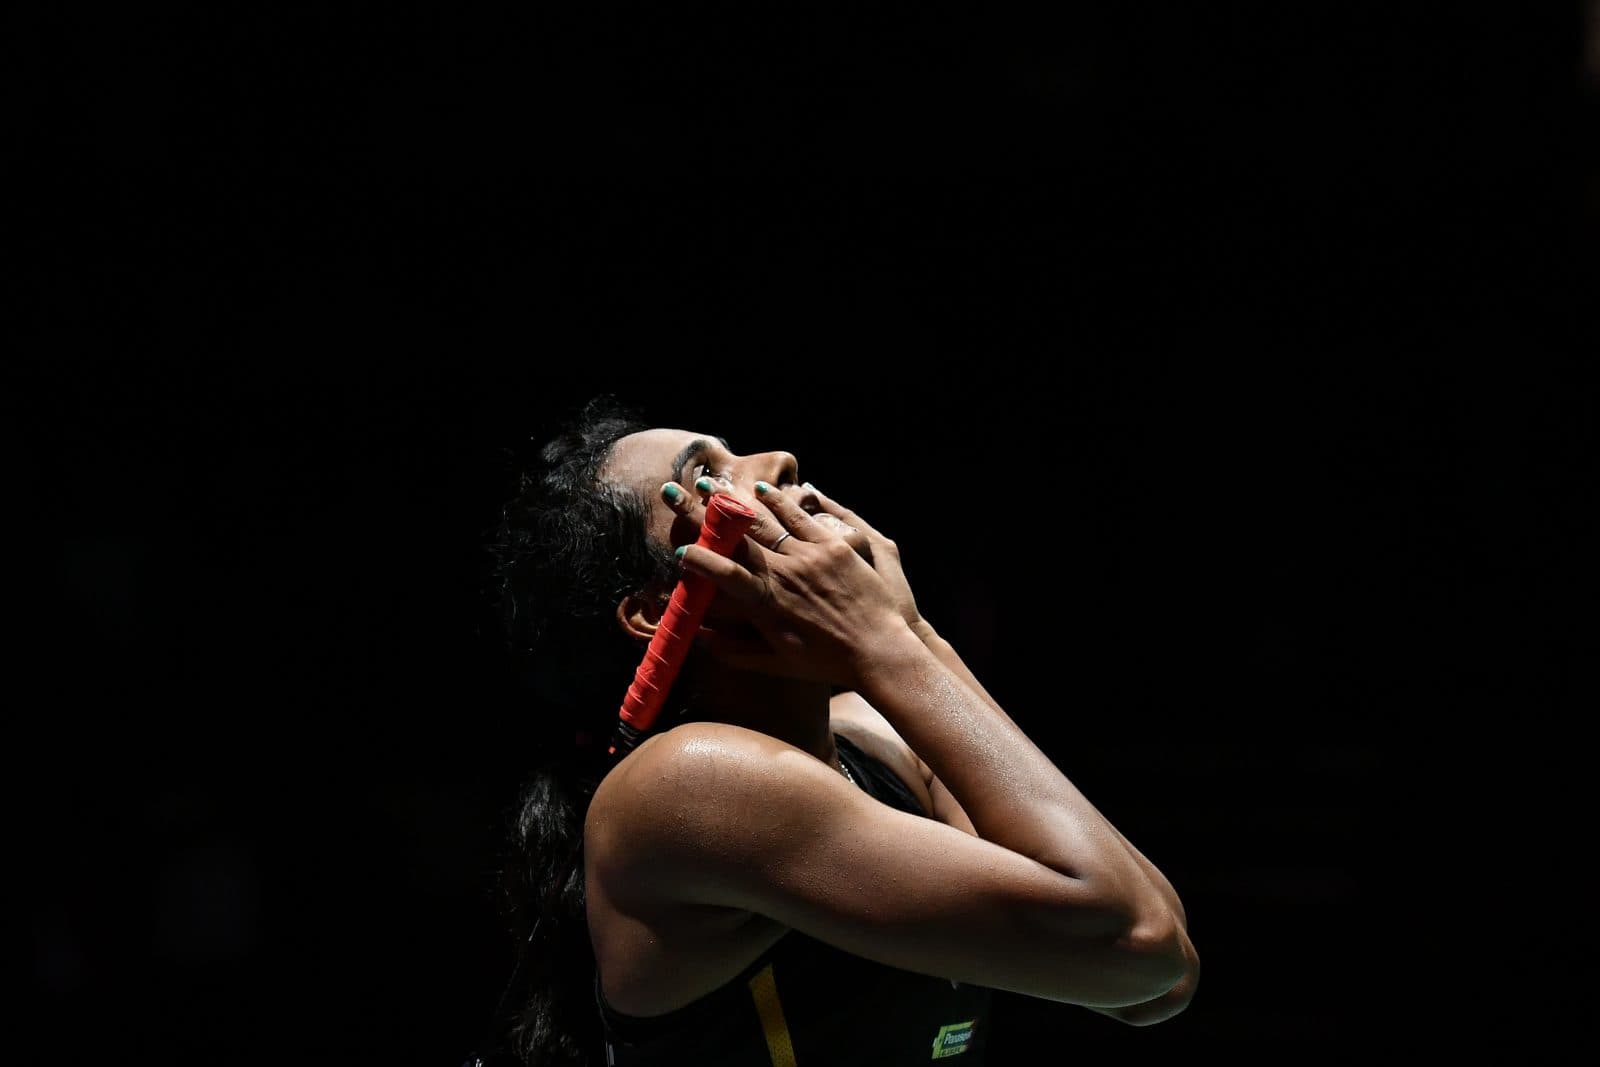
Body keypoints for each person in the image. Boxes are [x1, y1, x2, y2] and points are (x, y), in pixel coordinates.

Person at [483, 396, 1198, 1066]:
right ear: (655, 605)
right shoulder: (684, 782)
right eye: (706, 476)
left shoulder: (876, 732)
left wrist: (911, 634)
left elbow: (1156, 985)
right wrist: (889, 642)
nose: (781, 461)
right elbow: (1140, 942)